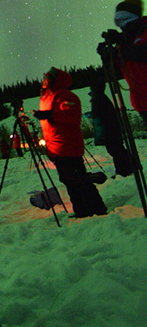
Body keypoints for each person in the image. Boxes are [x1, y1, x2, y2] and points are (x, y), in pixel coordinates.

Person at [33, 67, 107, 218]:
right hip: (57, 147)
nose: (44, 82)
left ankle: (94, 208)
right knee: (69, 180)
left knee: (78, 180)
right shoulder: (47, 97)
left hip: (68, 147)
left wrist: (49, 115)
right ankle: (83, 209)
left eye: (48, 79)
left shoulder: (66, 95)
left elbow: (72, 115)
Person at [102, 0, 147, 127]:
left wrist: (118, 51)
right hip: (142, 100)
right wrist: (108, 54)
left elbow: (143, 52)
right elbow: (118, 70)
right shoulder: (128, 39)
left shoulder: (143, 30)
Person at [86, 80, 133, 177]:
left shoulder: (98, 99)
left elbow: (99, 114)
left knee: (115, 150)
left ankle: (124, 170)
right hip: (111, 129)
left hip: (108, 130)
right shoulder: (102, 98)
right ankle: (129, 167)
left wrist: (86, 115)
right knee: (118, 149)